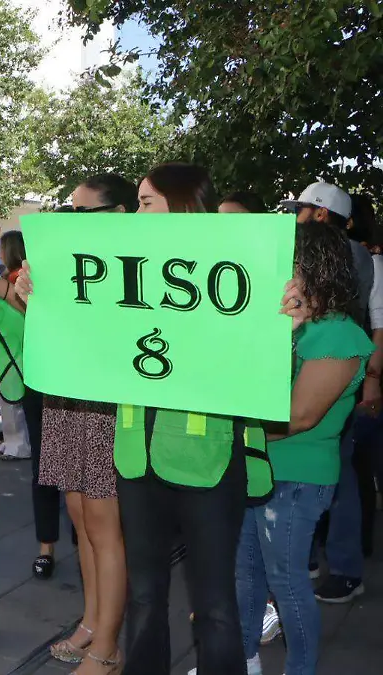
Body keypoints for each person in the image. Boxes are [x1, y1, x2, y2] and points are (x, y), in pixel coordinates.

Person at [18, 163, 277, 675]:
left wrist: (285, 318)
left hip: (209, 461)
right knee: (144, 598)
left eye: (146, 201)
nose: (135, 213)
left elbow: (253, 362)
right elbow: (92, 354)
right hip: (137, 459)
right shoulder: (127, 271)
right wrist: (42, 306)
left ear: (182, 204)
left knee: (215, 607)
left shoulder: (234, 268)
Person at [225, 219, 375, 675]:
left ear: (313, 268)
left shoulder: (340, 335)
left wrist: (227, 426)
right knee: (245, 574)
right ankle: (244, 659)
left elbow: (299, 417)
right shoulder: (288, 325)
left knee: (286, 583)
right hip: (259, 468)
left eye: (285, 262)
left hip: (297, 478)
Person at [36, 175, 136, 671]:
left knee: (104, 526)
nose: (71, 221)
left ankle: (107, 647)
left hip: (104, 404)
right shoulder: (68, 261)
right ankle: (93, 622)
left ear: (118, 215)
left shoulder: (134, 266)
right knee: (80, 518)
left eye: (83, 212)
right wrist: (27, 289)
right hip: (67, 398)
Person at [312, 191, 383, 604]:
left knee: (340, 474)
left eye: (299, 209)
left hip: (347, 375)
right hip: (327, 371)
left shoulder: (367, 261)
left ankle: (345, 568)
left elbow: (378, 325)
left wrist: (371, 379)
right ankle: (323, 561)